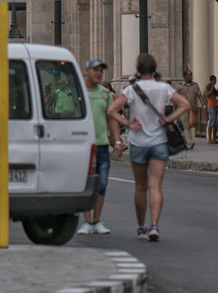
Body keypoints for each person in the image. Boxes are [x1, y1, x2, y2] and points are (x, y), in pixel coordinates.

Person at [106, 52, 189, 242]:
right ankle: (154, 225)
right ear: (154, 68)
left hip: (138, 142)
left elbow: (111, 111)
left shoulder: (131, 90)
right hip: (159, 142)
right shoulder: (163, 88)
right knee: (156, 187)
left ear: (138, 68)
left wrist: (128, 124)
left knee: (141, 188)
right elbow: (185, 104)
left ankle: (141, 227)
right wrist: (166, 119)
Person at [79, 58, 120, 235]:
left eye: (101, 71)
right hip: (83, 146)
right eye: (95, 70)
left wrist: (117, 140)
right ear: (87, 71)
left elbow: (111, 118)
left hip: (102, 145)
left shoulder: (105, 94)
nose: (98, 73)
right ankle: (86, 221)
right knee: (86, 183)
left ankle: (97, 220)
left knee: (101, 184)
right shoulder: (78, 92)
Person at [180, 71, 202, 140]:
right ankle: (190, 142)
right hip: (184, 109)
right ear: (185, 76)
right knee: (186, 126)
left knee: (191, 124)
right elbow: (175, 99)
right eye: (189, 75)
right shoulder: (180, 86)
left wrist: (204, 106)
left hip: (192, 109)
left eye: (191, 75)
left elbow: (200, 96)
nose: (191, 77)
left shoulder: (195, 86)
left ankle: (185, 138)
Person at [204, 75, 218, 143]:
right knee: (211, 122)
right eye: (214, 81)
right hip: (211, 106)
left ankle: (214, 138)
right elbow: (207, 94)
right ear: (211, 81)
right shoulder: (208, 86)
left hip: (215, 106)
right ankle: (209, 138)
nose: (215, 82)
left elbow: (216, 94)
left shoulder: (213, 87)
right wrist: (212, 88)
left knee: (216, 123)